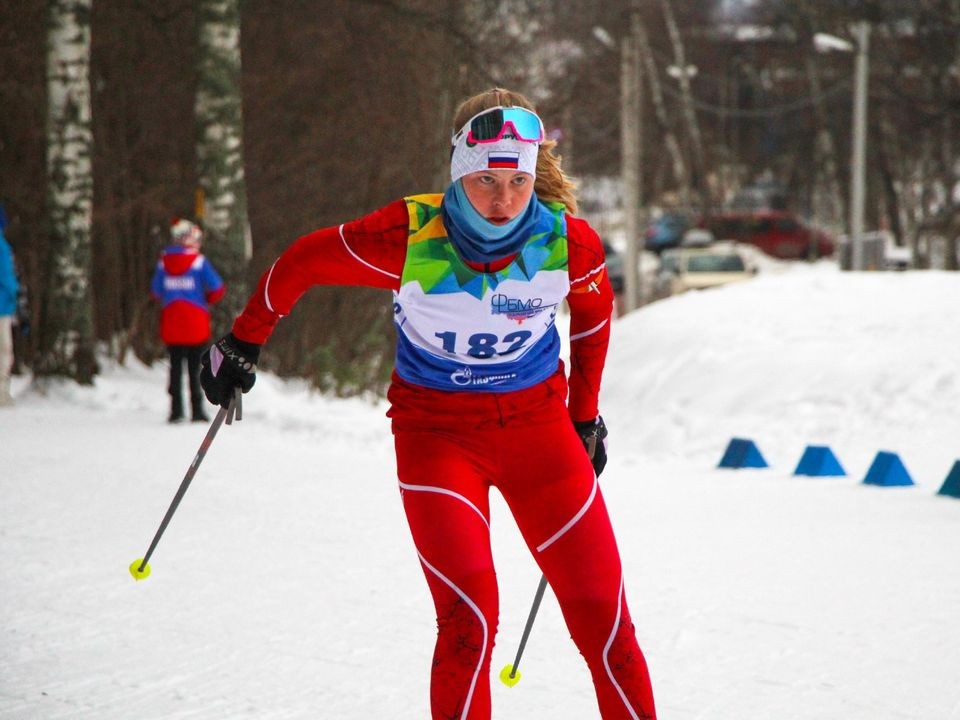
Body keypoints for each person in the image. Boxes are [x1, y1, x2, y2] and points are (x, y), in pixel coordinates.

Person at [200, 88, 657, 719]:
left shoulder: (566, 243)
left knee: (607, 623)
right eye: (486, 182)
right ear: (459, 173)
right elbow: (303, 261)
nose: (503, 202)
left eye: (519, 182)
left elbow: (593, 318)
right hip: (438, 439)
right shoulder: (409, 235)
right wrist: (243, 340)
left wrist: (584, 416)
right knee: (468, 620)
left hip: (539, 435)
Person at [151, 217, 225, 423]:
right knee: (195, 369)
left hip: (172, 323)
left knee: (175, 368)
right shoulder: (198, 261)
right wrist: (204, 300)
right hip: (196, 323)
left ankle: (176, 411)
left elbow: (156, 291)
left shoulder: (163, 261)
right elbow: (217, 288)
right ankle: (197, 410)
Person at [0, 204, 18, 407]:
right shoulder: (1, 246)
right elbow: (7, 278)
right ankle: (1, 394)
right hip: (2, 306)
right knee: (3, 350)